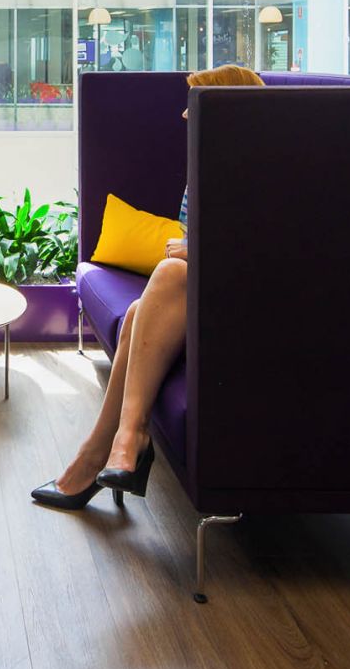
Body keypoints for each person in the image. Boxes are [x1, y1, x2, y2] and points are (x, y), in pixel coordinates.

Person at [31, 63, 266, 509]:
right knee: (140, 311)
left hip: (249, 308)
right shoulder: (207, 165)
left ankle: (120, 443)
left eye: (194, 104)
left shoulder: (272, 170)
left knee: (171, 274)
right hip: (212, 295)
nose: (182, 115)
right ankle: (107, 450)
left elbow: (273, 256)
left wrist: (201, 254)